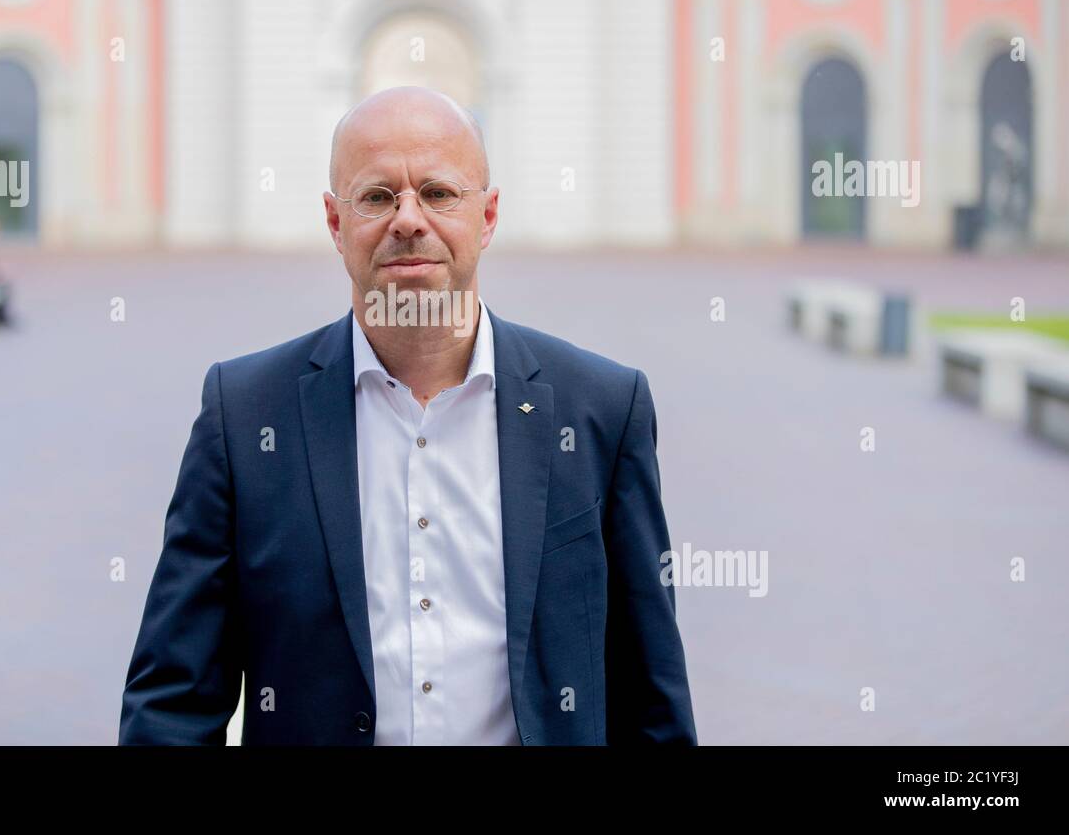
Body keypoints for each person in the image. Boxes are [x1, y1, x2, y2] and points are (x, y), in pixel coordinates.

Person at [118, 86, 696, 745]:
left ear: (488, 215)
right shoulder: (245, 416)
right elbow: (172, 701)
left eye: (440, 193)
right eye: (377, 196)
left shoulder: (601, 410)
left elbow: (652, 699)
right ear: (336, 224)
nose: (408, 219)